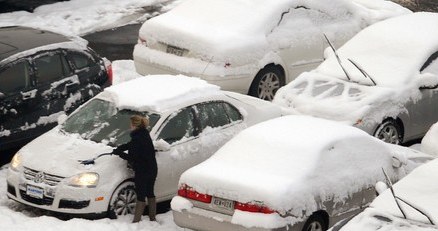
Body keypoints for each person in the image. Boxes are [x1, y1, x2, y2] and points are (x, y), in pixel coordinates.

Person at [112, 115, 157, 222]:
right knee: (150, 192)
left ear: (134, 125)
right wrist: (121, 148)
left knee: (141, 195)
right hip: (152, 168)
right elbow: (131, 145)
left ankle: (136, 220)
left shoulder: (137, 138)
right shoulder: (144, 134)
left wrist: (119, 153)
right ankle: (152, 218)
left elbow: (132, 157)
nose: (129, 126)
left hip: (142, 171)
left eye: (131, 124)